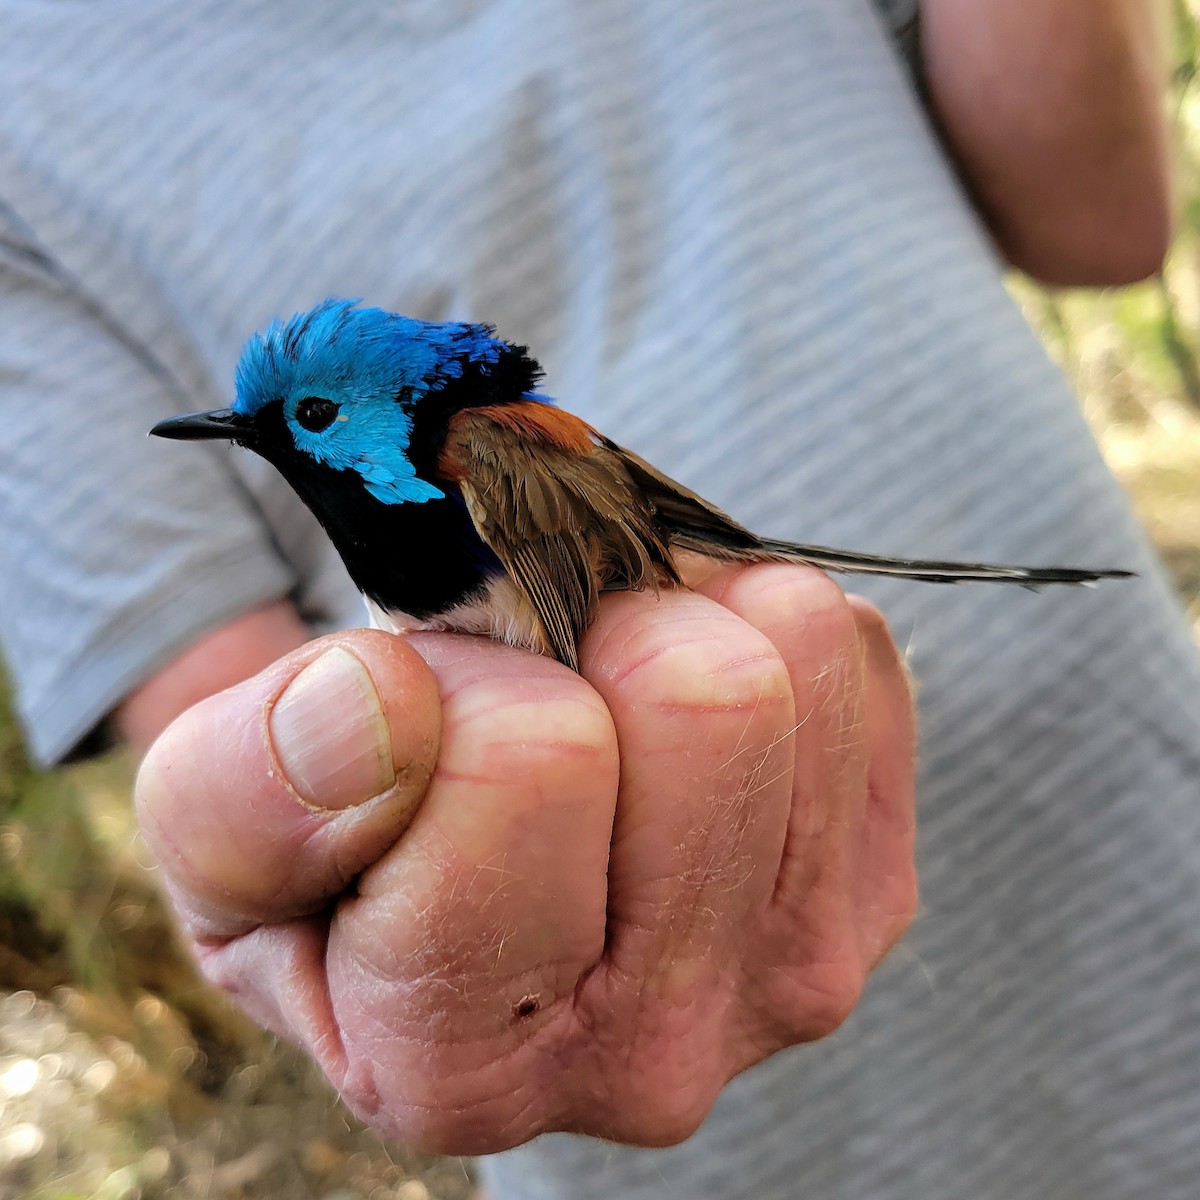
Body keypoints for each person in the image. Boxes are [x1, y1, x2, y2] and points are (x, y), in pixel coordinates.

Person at [2, 1, 1196, 1197]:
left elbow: (1105, 221)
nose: (285, 444)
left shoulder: (489, 452)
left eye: (310, 423)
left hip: (1146, 871)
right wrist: (347, 888)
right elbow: (247, 753)